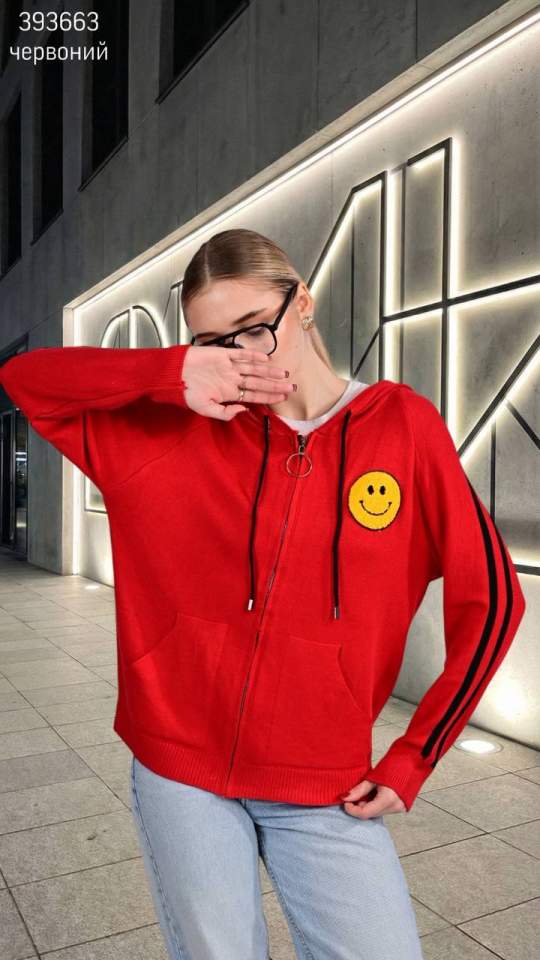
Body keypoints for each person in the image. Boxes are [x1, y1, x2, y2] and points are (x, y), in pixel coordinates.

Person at [0, 228, 526, 960]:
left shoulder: (403, 428)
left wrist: (415, 755)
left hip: (325, 782)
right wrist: (173, 372)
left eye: (253, 329)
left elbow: (494, 599)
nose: (239, 358)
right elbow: (27, 379)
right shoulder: (171, 430)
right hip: (180, 771)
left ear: (301, 302)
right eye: (212, 343)